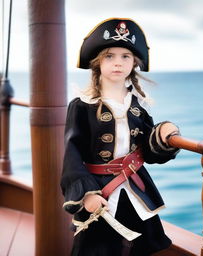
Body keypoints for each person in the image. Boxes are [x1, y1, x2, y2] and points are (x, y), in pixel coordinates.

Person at [61, 17, 181, 256]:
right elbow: (71, 154)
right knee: (95, 249)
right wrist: (87, 195)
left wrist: (164, 133)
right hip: (99, 192)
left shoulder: (138, 107)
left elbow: (149, 152)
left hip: (135, 189)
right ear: (97, 63)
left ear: (134, 62)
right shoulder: (82, 106)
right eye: (109, 56)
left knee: (142, 247)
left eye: (125, 56)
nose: (118, 63)